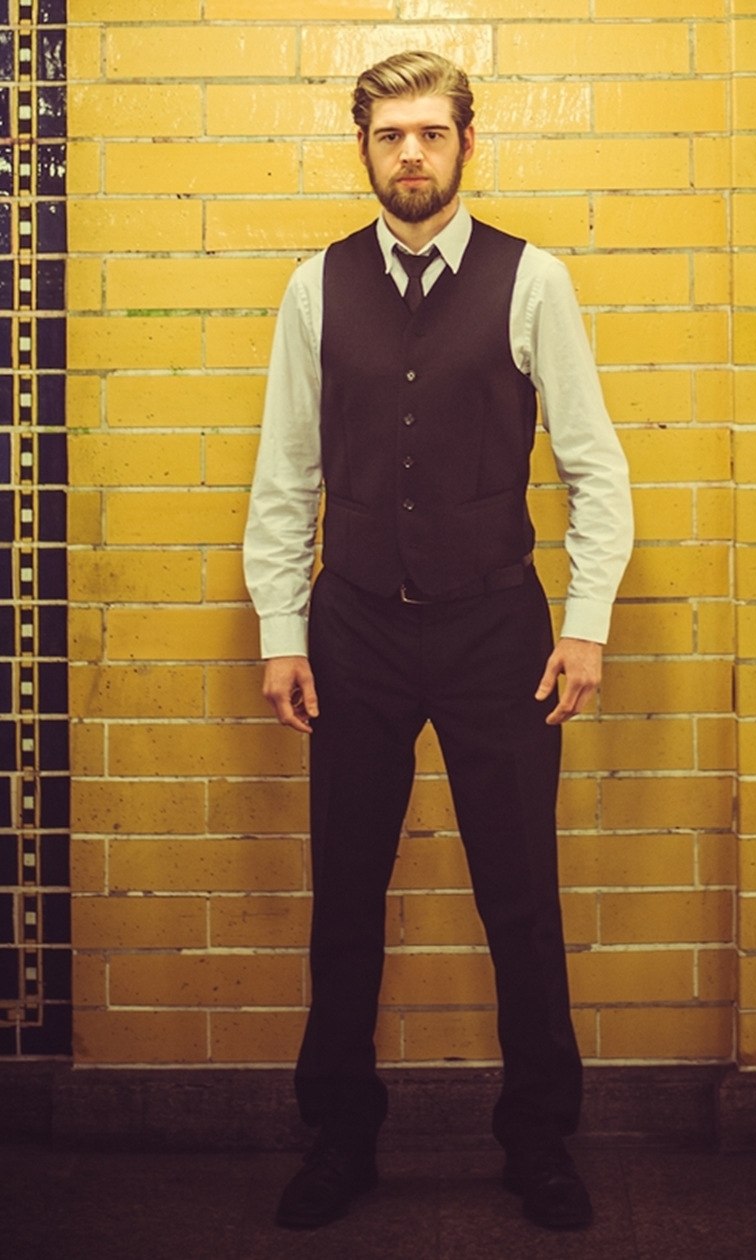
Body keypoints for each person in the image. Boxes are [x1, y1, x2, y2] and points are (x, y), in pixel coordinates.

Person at [243, 50, 633, 1232]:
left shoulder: (533, 281)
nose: (410, 154)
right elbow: (284, 477)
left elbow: (596, 469)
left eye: (430, 133)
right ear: (363, 148)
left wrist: (585, 628)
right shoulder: (315, 288)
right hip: (353, 626)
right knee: (346, 893)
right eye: (389, 135)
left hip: (496, 630)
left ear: (468, 143)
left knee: (520, 895)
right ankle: (340, 1139)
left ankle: (539, 1140)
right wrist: (282, 631)